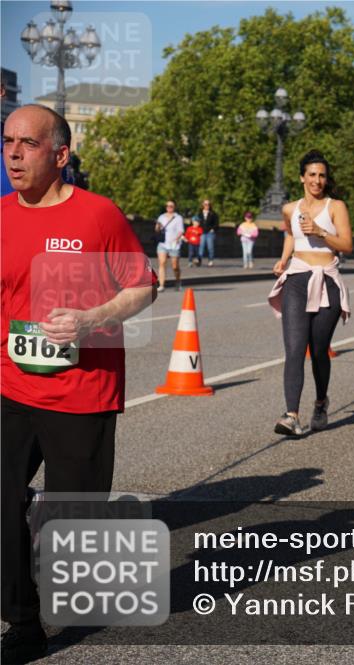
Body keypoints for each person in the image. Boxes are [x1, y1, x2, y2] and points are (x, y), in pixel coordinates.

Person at [1, 104, 157, 663]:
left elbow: (143, 286)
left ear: (61, 154)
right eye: (8, 141)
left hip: (82, 391)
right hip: (11, 387)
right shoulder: (0, 215)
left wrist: (92, 319)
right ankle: (22, 622)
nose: (14, 153)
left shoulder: (98, 215)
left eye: (28, 144)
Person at [268, 150, 352, 437]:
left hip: (327, 280)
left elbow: (346, 244)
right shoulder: (290, 209)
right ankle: (291, 415)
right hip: (297, 279)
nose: (317, 180)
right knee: (294, 348)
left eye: (322, 175)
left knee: (318, 351)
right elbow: (291, 234)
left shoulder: (335, 206)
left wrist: (320, 232)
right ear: (302, 177)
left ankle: (320, 402)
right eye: (312, 174)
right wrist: (283, 259)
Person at [155, 200, 185, 292]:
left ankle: (178, 281)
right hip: (163, 244)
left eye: (171, 206)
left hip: (174, 244)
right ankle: (161, 285)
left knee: (175, 266)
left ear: (174, 207)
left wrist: (176, 239)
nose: (169, 208)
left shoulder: (178, 218)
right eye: (167, 206)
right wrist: (157, 226)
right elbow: (157, 230)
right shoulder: (161, 217)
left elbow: (181, 231)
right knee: (162, 263)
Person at [193, 198, 219, 267]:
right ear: (203, 205)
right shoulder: (199, 214)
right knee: (201, 247)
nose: (207, 206)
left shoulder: (213, 213)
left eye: (208, 204)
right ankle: (199, 260)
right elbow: (195, 222)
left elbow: (216, 223)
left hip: (210, 233)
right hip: (201, 232)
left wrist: (213, 229)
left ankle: (210, 260)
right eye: (205, 204)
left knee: (210, 247)